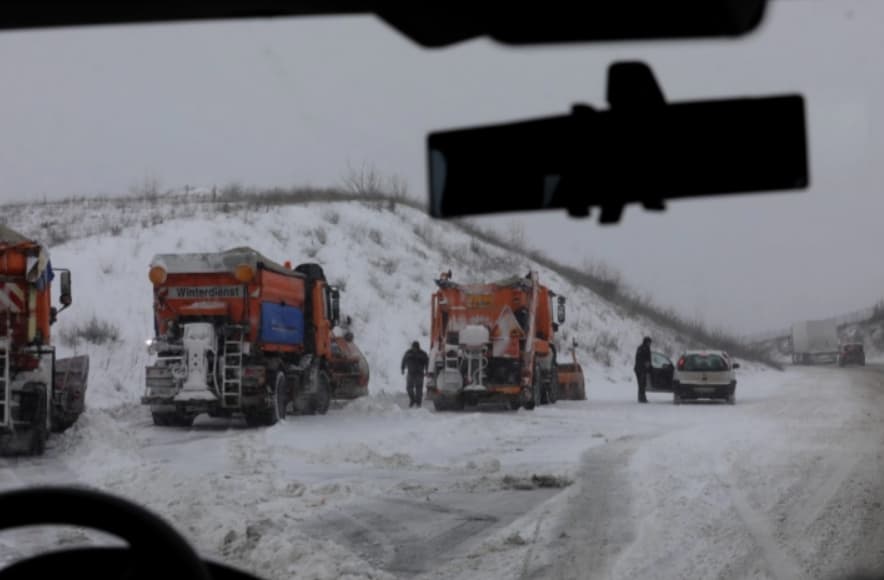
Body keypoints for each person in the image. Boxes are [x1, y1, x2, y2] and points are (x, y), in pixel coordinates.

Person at [401, 341, 429, 408]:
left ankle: (418, 403)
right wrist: (402, 368)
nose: (414, 349)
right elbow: (404, 360)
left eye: (416, 347)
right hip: (411, 373)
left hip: (419, 374)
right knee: (409, 388)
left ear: (418, 347)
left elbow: (427, 362)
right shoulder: (408, 353)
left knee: (419, 389)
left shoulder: (422, 354)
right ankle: (412, 400)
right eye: (413, 347)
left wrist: (427, 370)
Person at [634, 336, 652, 403]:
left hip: (638, 369)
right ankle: (642, 398)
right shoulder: (645, 348)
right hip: (641, 369)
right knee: (642, 384)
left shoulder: (640, 348)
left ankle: (641, 397)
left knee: (641, 384)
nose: (650, 343)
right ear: (646, 342)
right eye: (649, 342)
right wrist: (647, 365)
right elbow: (645, 359)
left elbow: (638, 358)